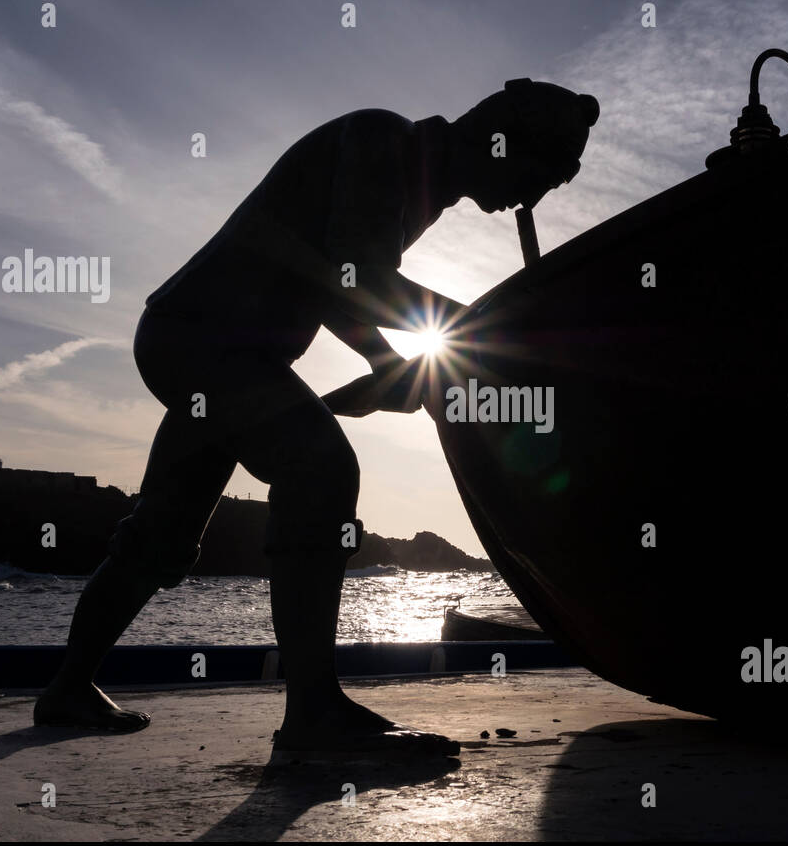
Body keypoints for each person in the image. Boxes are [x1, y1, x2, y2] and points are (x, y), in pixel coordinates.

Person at [34, 80, 599, 756]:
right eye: (540, 176)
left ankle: (68, 687)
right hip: (210, 344)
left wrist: (387, 363)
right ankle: (312, 716)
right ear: (504, 140)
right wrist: (492, 332)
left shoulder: (417, 183)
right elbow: (353, 274)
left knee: (161, 533)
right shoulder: (383, 140)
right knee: (323, 472)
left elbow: (334, 283)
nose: (530, 199)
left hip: (215, 348)